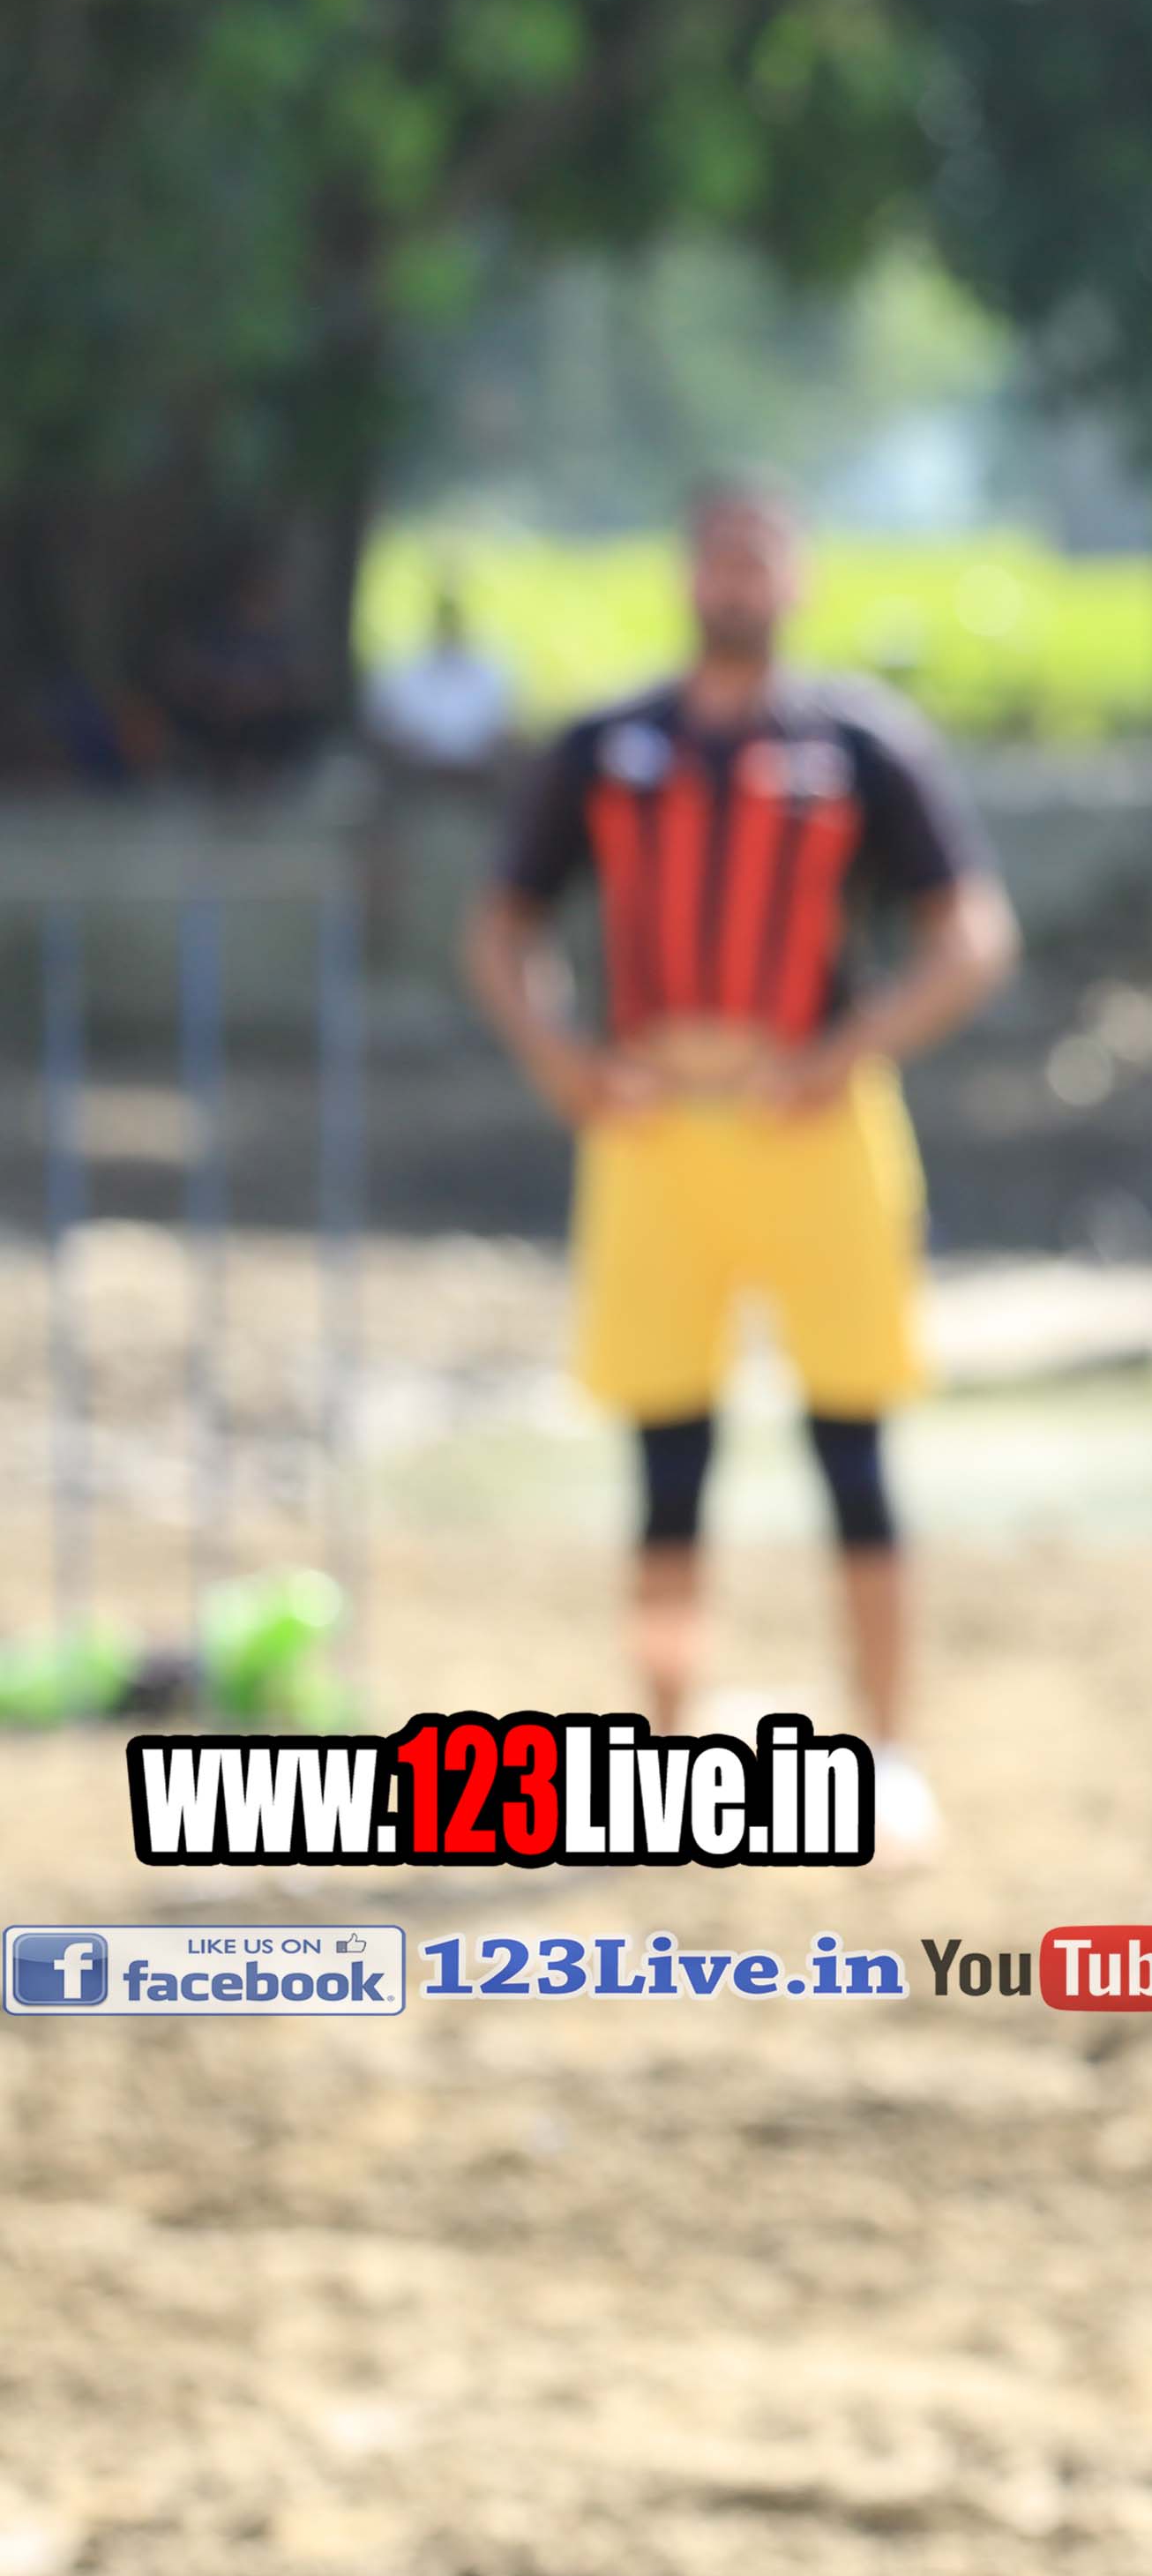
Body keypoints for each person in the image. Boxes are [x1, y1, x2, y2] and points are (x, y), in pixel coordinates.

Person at [462, 474, 1017, 1830]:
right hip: (655, 1134)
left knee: (853, 1452)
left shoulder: (859, 744)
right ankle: (669, 1752)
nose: (738, 582)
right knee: (667, 1465)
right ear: (687, 574)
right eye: (719, 558)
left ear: (796, 578)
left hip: (815, 1130)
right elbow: (503, 928)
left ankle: (888, 1753)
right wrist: (562, 1061)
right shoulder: (607, 744)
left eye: (760, 560)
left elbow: (971, 934)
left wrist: (850, 1048)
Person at [366, 585, 518, 779]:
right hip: (413, 776)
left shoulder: (492, 671)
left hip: (475, 777)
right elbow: (385, 729)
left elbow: (505, 734)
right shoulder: (402, 669)